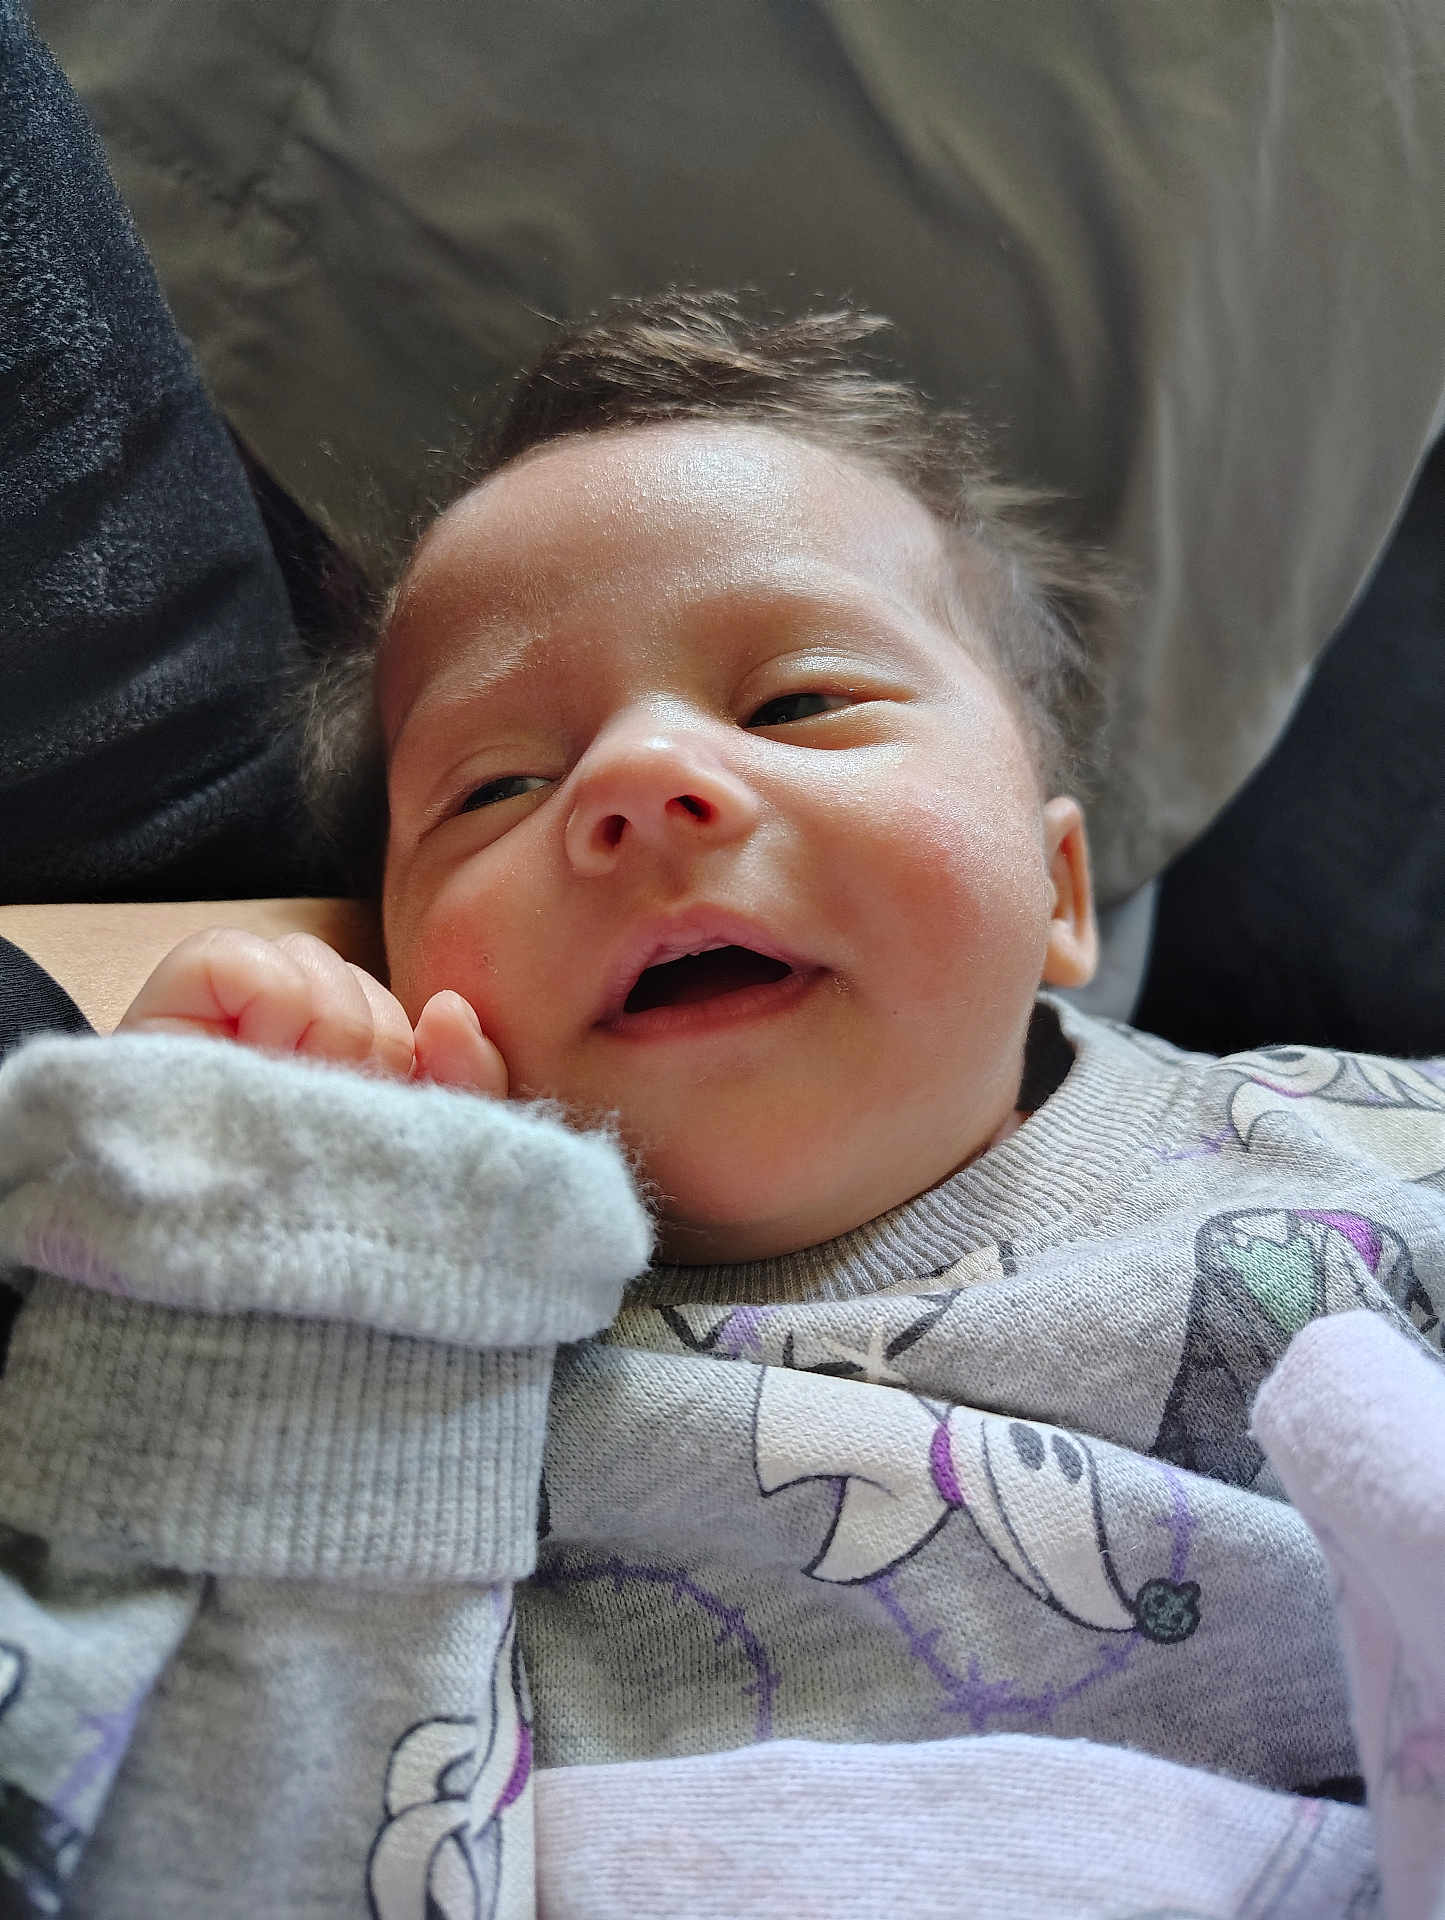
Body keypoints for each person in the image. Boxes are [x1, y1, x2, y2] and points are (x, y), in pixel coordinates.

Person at [3, 294, 1442, 1920]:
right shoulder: (402, 1347)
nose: (636, 781)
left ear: (1054, 887)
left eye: (798, 704)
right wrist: (262, 1273)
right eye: (498, 788)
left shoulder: (1372, 1150)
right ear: (390, 958)